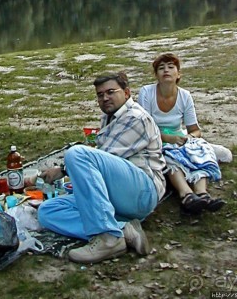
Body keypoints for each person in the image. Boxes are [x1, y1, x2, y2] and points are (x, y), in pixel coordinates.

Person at [37, 71, 167, 264]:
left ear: (127, 93)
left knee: (76, 153)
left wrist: (63, 169)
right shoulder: (110, 117)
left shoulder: (136, 118)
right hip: (118, 194)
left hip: (142, 192)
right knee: (47, 211)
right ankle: (122, 229)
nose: (105, 98)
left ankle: (108, 238)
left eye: (111, 92)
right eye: (100, 95)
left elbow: (106, 156)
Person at [138, 53, 225, 215]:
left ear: (178, 74)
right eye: (161, 68)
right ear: (156, 75)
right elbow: (144, 128)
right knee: (171, 155)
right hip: (154, 139)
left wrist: (190, 138)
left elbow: (195, 129)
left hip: (179, 137)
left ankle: (202, 194)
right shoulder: (147, 93)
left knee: (201, 149)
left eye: (171, 67)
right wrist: (168, 138)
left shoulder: (185, 95)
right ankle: (186, 195)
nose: (166, 71)